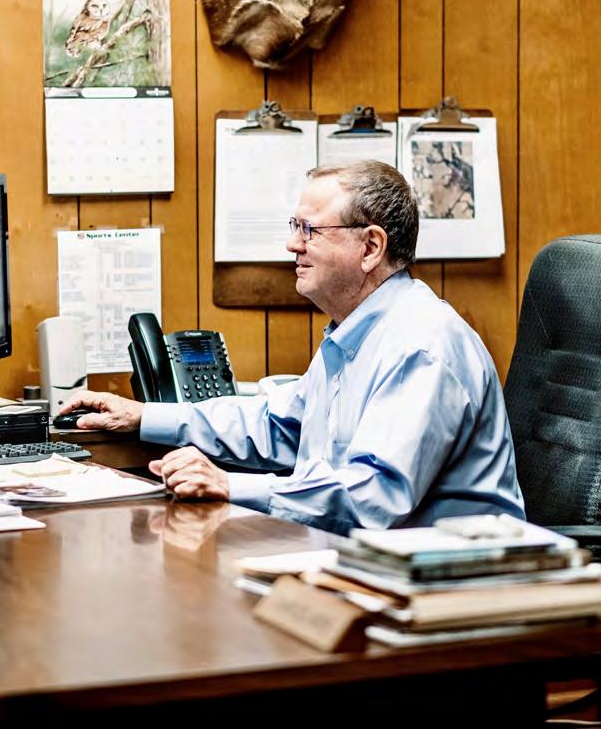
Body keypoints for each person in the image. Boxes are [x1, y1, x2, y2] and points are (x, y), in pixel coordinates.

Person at [60, 160, 524, 534]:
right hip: (364, 561)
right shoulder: (356, 332)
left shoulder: (421, 346)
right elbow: (279, 425)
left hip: (450, 587)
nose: (291, 244)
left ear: (370, 247)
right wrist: (144, 416)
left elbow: (373, 497)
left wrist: (229, 485)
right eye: (294, 226)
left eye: (309, 230)